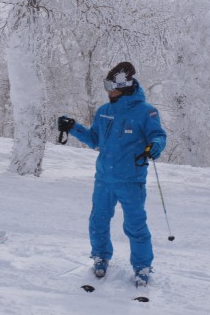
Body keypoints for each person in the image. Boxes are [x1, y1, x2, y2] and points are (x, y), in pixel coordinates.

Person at [58, 62, 167, 287]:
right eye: (106, 84)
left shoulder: (146, 111)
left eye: (111, 85)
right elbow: (95, 140)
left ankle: (142, 267)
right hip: (104, 180)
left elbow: (158, 135)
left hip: (131, 179)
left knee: (135, 226)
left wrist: (155, 145)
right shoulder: (104, 111)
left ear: (124, 86)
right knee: (98, 221)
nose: (107, 89)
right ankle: (100, 257)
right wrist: (74, 128)